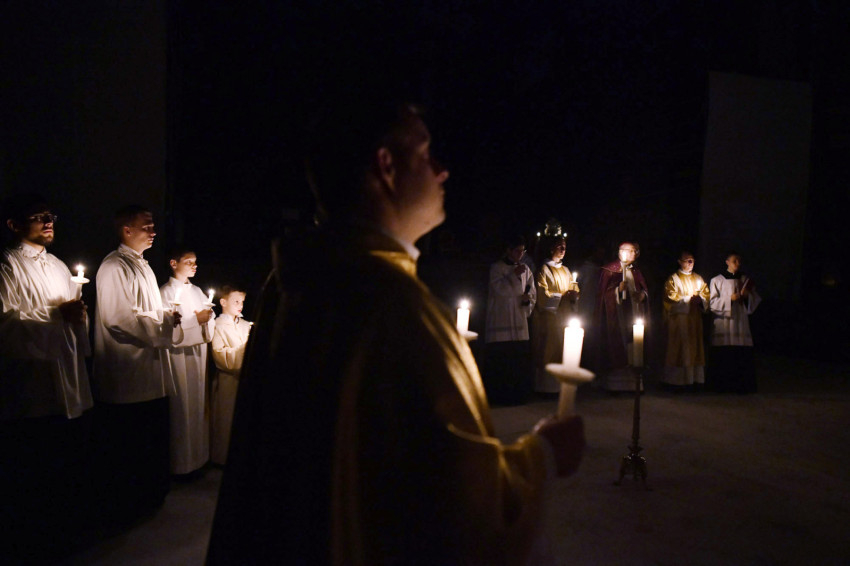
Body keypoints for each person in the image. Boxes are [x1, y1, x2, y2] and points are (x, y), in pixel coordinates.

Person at [207, 102, 585, 565]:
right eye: (426, 154)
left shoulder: (291, 282)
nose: (443, 170)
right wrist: (543, 456)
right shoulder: (397, 309)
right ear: (386, 166)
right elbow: (458, 511)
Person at [0, 194, 93, 561]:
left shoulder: (58, 265)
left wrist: (77, 315)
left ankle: (65, 533)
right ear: (14, 225)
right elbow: (5, 322)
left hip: (66, 373)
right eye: (38, 216)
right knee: (32, 462)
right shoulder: (7, 265)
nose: (48, 221)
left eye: (50, 215)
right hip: (32, 381)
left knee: (63, 461)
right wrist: (56, 316)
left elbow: (71, 318)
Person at [91, 205, 182, 523]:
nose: (154, 231)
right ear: (126, 230)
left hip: (149, 369)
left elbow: (146, 312)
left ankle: (149, 495)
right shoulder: (114, 266)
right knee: (130, 439)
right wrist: (162, 325)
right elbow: (118, 318)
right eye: (147, 226)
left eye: (154, 225)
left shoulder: (142, 265)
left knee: (148, 435)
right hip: (127, 371)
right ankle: (128, 504)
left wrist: (167, 316)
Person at [160, 247, 215, 476]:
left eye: (195, 261)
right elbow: (167, 327)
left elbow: (208, 319)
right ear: (174, 263)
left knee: (197, 405)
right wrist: (195, 320)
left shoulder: (198, 291)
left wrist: (207, 319)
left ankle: (199, 459)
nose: (194, 265)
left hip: (197, 355)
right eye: (189, 261)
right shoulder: (165, 292)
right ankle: (182, 464)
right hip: (178, 358)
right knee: (181, 407)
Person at [483, 235, 536, 404]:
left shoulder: (526, 269)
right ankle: (499, 397)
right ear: (508, 250)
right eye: (517, 251)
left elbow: (531, 291)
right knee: (502, 359)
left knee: (517, 360)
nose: (520, 254)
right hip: (502, 319)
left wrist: (528, 300)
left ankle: (517, 396)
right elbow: (500, 291)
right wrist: (513, 276)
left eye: (523, 251)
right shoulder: (497, 268)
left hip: (519, 320)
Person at [594, 242, 649, 392]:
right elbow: (602, 296)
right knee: (620, 344)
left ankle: (634, 383)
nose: (633, 253)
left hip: (634, 313)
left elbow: (643, 289)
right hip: (617, 316)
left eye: (634, 251)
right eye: (630, 251)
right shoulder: (609, 271)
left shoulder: (635, 271)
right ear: (620, 252)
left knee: (634, 346)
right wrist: (618, 290)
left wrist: (643, 295)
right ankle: (616, 384)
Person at [708, 253, 761, 393]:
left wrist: (747, 296)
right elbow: (712, 303)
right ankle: (721, 386)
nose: (737, 263)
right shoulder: (717, 280)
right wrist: (729, 299)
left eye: (739, 261)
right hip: (724, 322)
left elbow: (755, 300)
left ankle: (741, 386)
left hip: (740, 320)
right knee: (723, 354)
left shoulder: (744, 280)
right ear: (727, 262)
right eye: (734, 261)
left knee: (740, 353)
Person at [210, 285, 251, 465]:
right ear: (223, 302)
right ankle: (223, 459)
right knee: (226, 420)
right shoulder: (217, 325)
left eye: (242, 302)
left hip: (245, 380)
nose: (240, 305)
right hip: (228, 381)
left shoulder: (245, 325)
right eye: (236, 301)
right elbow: (220, 355)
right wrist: (245, 349)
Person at [532, 235, 579, 394]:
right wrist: (562, 297)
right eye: (560, 246)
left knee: (563, 350)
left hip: (564, 317)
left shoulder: (566, 270)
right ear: (551, 248)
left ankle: (559, 387)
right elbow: (542, 295)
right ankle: (545, 388)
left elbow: (574, 289)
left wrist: (574, 296)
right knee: (548, 350)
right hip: (549, 317)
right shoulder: (544, 270)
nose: (563, 250)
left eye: (565, 247)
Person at [661, 251, 710, 390]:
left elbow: (706, 296)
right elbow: (670, 299)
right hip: (679, 321)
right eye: (687, 260)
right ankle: (676, 382)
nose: (690, 263)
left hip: (694, 320)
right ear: (679, 262)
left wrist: (701, 301)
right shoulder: (673, 279)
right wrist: (689, 300)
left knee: (694, 348)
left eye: (692, 260)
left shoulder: (698, 278)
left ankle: (694, 381)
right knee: (679, 350)